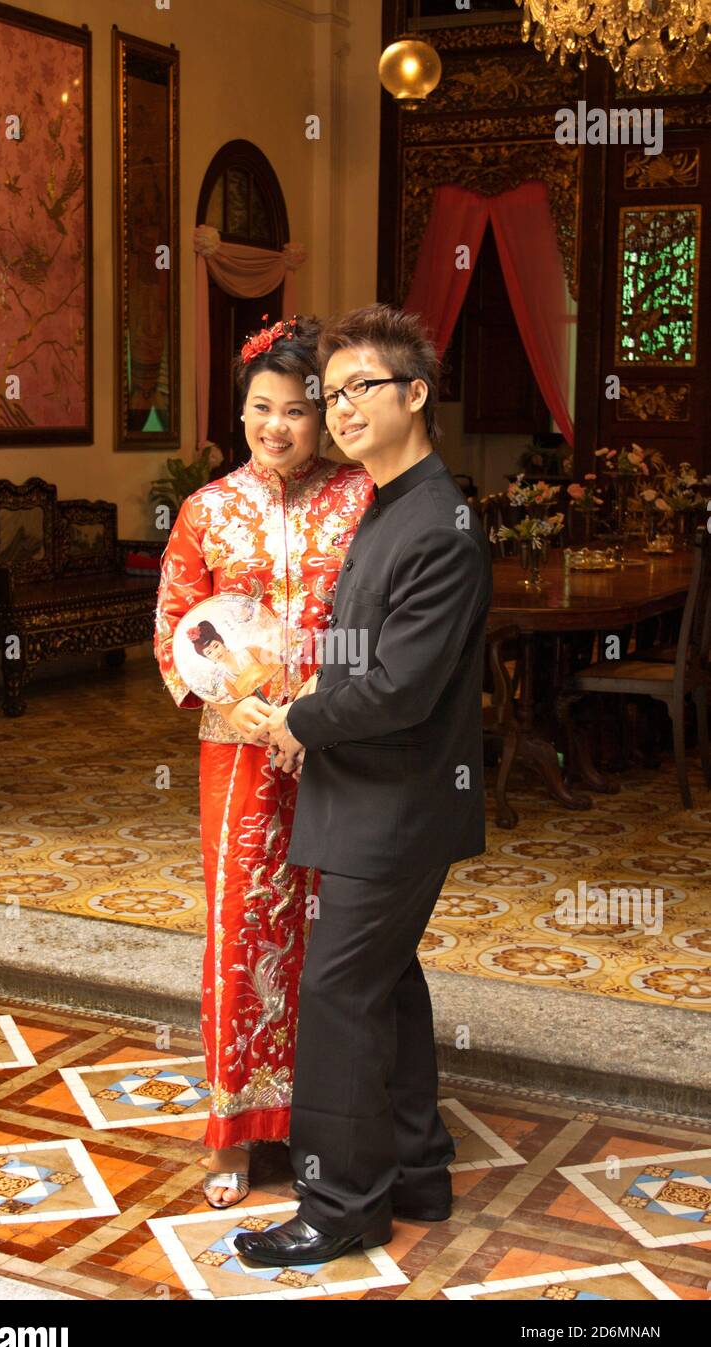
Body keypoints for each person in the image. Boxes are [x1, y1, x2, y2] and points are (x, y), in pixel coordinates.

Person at [235, 303, 492, 1267]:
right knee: (387, 988)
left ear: (415, 394)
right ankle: (418, 1168)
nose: (339, 410)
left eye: (360, 390)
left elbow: (403, 687)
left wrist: (298, 720)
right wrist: (305, 691)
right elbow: (364, 653)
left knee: (338, 996)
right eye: (330, 394)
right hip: (367, 793)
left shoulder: (439, 522)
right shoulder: (389, 503)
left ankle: (340, 1204)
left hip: (396, 805)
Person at [154, 315, 373, 1208]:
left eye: (295, 410)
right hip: (240, 755)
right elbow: (175, 626)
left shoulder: (361, 499)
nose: (275, 426)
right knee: (243, 931)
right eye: (259, 409)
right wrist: (227, 698)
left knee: (334, 933)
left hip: (336, 747)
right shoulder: (207, 509)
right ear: (239, 412)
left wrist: (322, 701)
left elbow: (380, 623)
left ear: (322, 415)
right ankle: (237, 1129)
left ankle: (327, 1119)